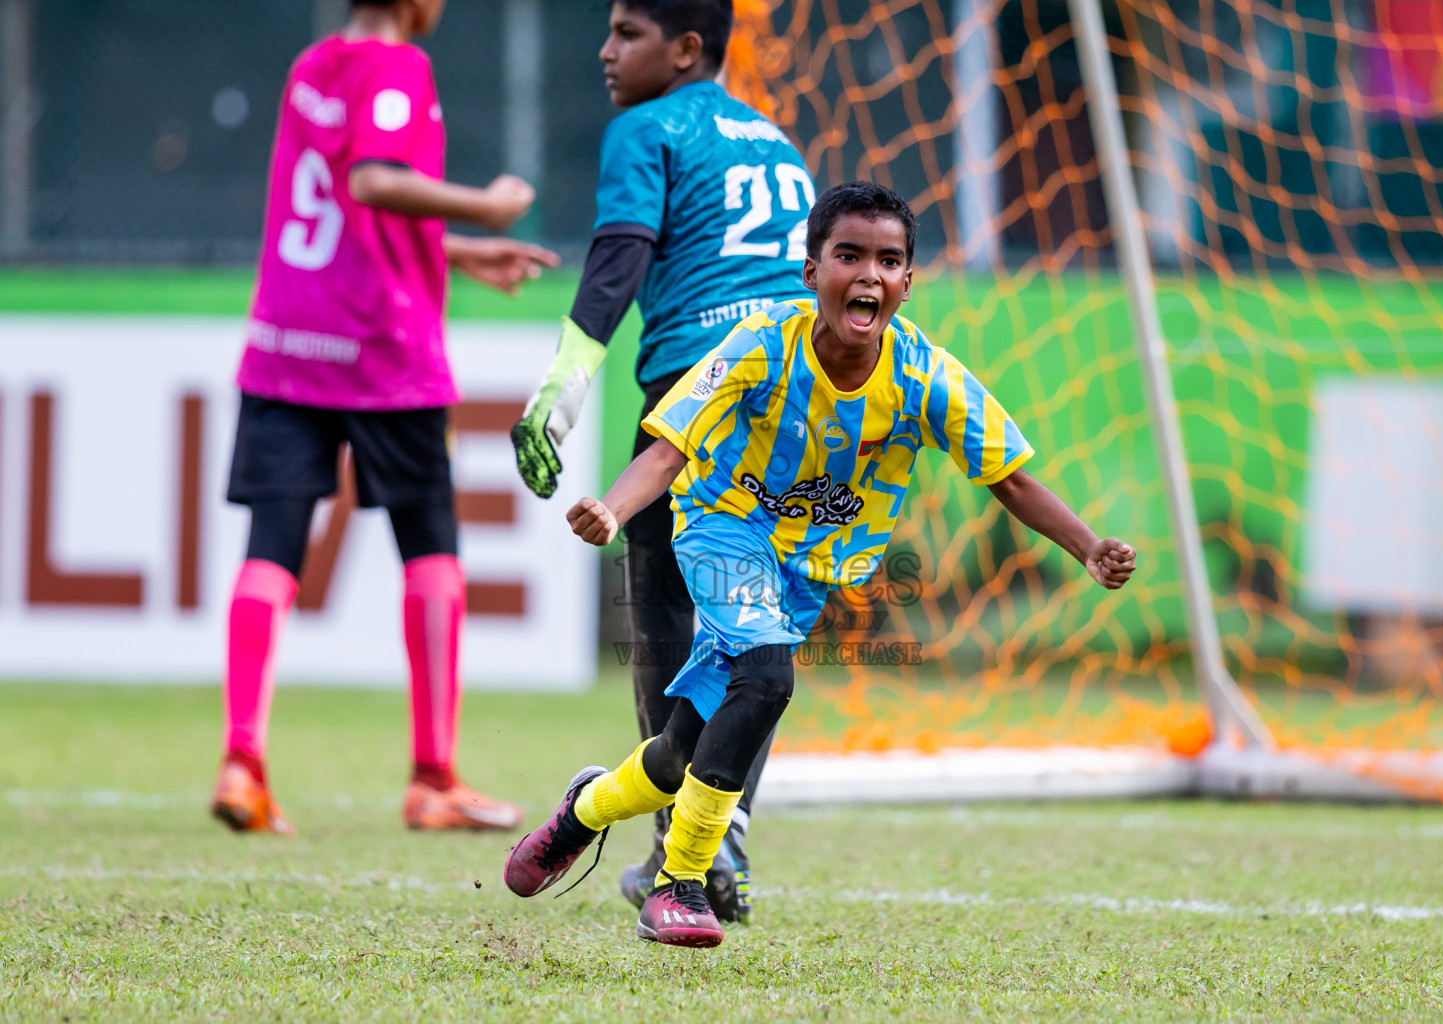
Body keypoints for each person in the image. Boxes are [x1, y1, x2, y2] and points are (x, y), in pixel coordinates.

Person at [502, 181, 1139, 947]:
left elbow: (1012, 478)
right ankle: (681, 882)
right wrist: (614, 506)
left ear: (907, 282)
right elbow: (670, 441)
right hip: (722, 528)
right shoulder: (761, 342)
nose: (867, 274)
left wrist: (1088, 546)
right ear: (812, 272)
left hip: (806, 574)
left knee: (680, 750)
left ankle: (583, 810)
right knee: (767, 678)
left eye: (888, 260)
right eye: (849, 255)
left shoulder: (925, 377)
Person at [210, 0, 558, 836]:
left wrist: (462, 255)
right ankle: (433, 777)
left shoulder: (311, 68)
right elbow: (372, 181)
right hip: (381, 348)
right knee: (431, 546)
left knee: (272, 549)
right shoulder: (399, 69)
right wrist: (486, 208)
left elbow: (342, 216)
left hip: (288, 340)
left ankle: (241, 762)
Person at [509, 0, 817, 921]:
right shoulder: (780, 147)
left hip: (696, 384)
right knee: (753, 630)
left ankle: (674, 837)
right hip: (788, 403)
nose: (606, 52)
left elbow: (619, 255)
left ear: (687, 50)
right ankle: (723, 844)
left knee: (664, 616)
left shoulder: (646, 125)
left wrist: (567, 381)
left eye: (627, 33)